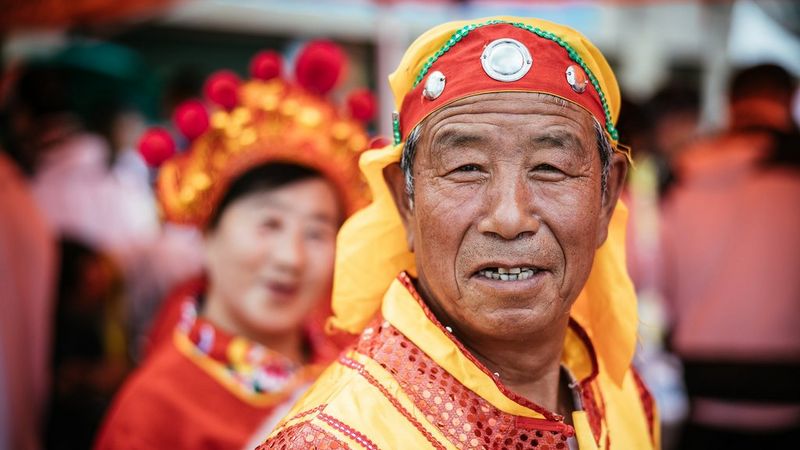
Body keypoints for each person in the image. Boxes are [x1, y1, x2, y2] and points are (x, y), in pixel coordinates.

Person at [258, 16, 658, 450]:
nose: (509, 217)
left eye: (550, 168)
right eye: (466, 169)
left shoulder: (623, 400)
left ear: (607, 196)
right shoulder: (329, 440)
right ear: (404, 200)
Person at [94, 42, 372, 449]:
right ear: (208, 233)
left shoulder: (357, 369)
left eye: (316, 232)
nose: (290, 257)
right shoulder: (154, 408)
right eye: (269, 224)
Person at [660, 64, 800, 448]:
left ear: (730, 102)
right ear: (789, 99)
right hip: (788, 383)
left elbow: (654, 271)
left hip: (698, 381)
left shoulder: (684, 169)